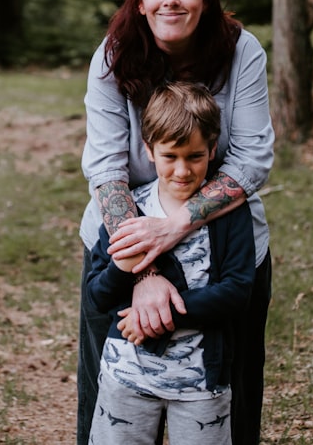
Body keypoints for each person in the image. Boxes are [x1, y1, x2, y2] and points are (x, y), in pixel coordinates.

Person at [78, 0, 275, 445]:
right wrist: (141, 268)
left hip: (224, 242)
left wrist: (178, 226)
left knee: (230, 396)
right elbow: (106, 166)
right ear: (139, 0)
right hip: (121, 246)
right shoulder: (113, 55)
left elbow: (252, 157)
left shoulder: (241, 51)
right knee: (109, 396)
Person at [85, 81, 255, 445]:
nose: (182, 170)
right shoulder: (128, 210)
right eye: (170, 156)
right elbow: (97, 296)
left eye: (195, 156)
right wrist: (124, 266)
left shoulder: (230, 215)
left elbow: (237, 291)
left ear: (212, 150)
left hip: (201, 385)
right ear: (148, 150)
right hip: (126, 377)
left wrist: (160, 317)